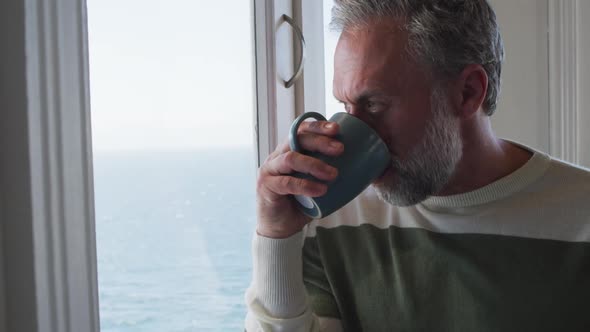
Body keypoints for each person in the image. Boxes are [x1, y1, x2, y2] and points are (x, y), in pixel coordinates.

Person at [245, 0, 590, 331]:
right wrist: (276, 237)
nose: (351, 130)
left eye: (375, 104)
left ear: (468, 92)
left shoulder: (580, 218)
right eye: (345, 105)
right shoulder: (331, 219)